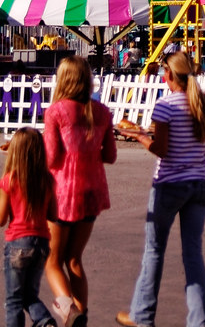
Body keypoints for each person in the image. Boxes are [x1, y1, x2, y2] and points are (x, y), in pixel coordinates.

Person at [116, 50, 205, 327]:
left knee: (154, 251)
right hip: (199, 183)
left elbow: (161, 150)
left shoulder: (165, 105)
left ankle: (143, 316)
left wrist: (138, 136)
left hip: (169, 184)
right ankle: (199, 320)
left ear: (170, 75)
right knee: (193, 253)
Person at [43, 57, 116, 327]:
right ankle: (80, 317)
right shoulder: (102, 111)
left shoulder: (56, 112)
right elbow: (109, 155)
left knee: (52, 260)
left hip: (62, 193)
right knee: (74, 259)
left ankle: (70, 312)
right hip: (92, 191)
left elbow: (51, 159)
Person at [0, 128, 58, 327]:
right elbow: (53, 215)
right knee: (30, 295)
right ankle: (45, 321)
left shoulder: (10, 180)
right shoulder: (48, 180)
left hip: (17, 243)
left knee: (14, 300)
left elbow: (1, 219)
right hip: (41, 243)